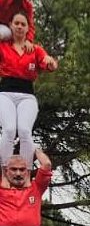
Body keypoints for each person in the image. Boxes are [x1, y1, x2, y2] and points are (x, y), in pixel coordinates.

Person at [0, 11, 57, 169]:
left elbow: (50, 64)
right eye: (16, 23)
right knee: (9, 129)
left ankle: (25, 171)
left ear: (27, 28)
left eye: (23, 24)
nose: (19, 26)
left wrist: (50, 61)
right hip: (5, 93)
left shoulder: (35, 50)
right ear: (10, 26)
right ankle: (5, 170)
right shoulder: (3, 46)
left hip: (27, 95)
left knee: (25, 131)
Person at [0, 149, 52, 226]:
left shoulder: (36, 187)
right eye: (14, 169)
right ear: (6, 171)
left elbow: (46, 164)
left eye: (22, 169)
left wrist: (36, 150)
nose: (18, 173)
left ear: (27, 171)